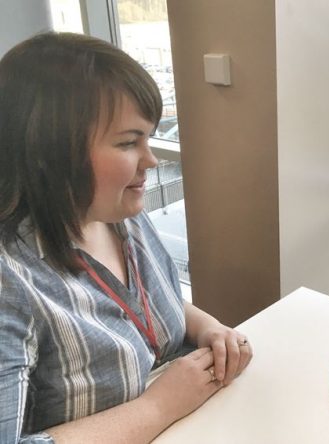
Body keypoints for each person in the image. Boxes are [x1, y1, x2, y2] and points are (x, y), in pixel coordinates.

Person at [0, 32, 252, 443]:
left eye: (148, 139)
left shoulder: (120, 214)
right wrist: (157, 407)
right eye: (128, 143)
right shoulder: (11, 282)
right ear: (49, 152)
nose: (151, 160)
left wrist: (210, 328)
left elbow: (142, 308)